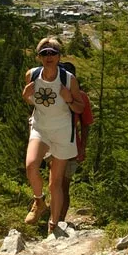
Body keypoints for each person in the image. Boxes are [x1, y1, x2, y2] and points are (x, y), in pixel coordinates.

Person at [21, 37, 85, 233]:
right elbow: (34, 102)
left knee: (55, 182)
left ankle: (54, 225)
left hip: (63, 131)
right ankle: (39, 202)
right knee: (31, 164)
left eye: (52, 53)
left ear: (59, 56)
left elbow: (80, 107)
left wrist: (69, 99)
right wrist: (25, 96)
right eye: (44, 53)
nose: (48, 57)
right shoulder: (32, 75)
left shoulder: (68, 79)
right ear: (39, 56)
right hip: (41, 128)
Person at [54, 61, 94, 224]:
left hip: (71, 147)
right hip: (52, 145)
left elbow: (85, 124)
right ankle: (54, 219)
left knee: (62, 185)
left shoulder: (81, 97)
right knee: (55, 184)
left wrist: (82, 147)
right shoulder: (54, 92)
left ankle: (58, 221)